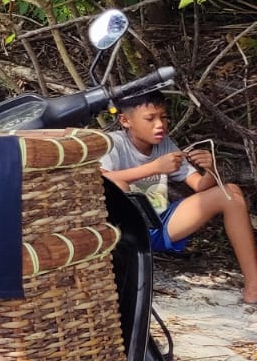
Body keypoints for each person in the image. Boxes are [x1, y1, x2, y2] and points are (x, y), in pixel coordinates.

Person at [100, 92, 257, 303]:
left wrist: (210, 169)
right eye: (150, 118)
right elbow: (98, 180)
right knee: (118, 185)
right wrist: (154, 168)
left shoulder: (165, 144)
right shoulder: (112, 143)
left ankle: (254, 285)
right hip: (123, 233)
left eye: (164, 117)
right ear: (125, 120)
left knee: (230, 193)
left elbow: (199, 186)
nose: (160, 125)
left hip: (158, 224)